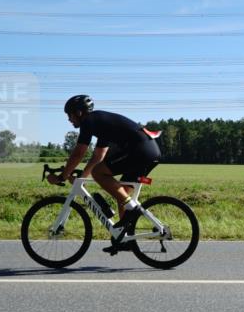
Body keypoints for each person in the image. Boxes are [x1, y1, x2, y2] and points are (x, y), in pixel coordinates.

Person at [50, 95, 161, 233]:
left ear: (79, 113)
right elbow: (98, 155)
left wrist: (62, 176)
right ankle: (126, 238)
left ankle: (133, 211)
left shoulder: (88, 121)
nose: (69, 119)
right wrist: (82, 178)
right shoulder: (101, 123)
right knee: (123, 196)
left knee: (98, 172)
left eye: (69, 115)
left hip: (141, 151)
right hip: (148, 151)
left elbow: (79, 153)